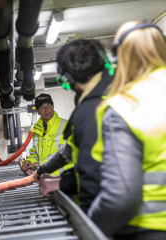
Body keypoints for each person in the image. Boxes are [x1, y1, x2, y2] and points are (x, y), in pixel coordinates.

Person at [88, 20, 166, 239]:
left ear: (118, 59)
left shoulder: (126, 105)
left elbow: (121, 197)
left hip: (150, 229)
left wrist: (92, 228)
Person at [34, 39, 113, 213]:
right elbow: (68, 151)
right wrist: (43, 170)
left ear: (67, 79)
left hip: (135, 218)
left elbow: (95, 174)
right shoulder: (117, 91)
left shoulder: (92, 110)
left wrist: (93, 225)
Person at [21, 93, 74, 175]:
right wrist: (29, 161)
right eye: (42, 107)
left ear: (53, 107)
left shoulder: (65, 126)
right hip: (45, 178)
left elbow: (66, 152)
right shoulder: (37, 131)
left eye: (48, 106)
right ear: (38, 111)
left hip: (64, 177)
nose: (46, 110)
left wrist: (41, 164)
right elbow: (35, 154)